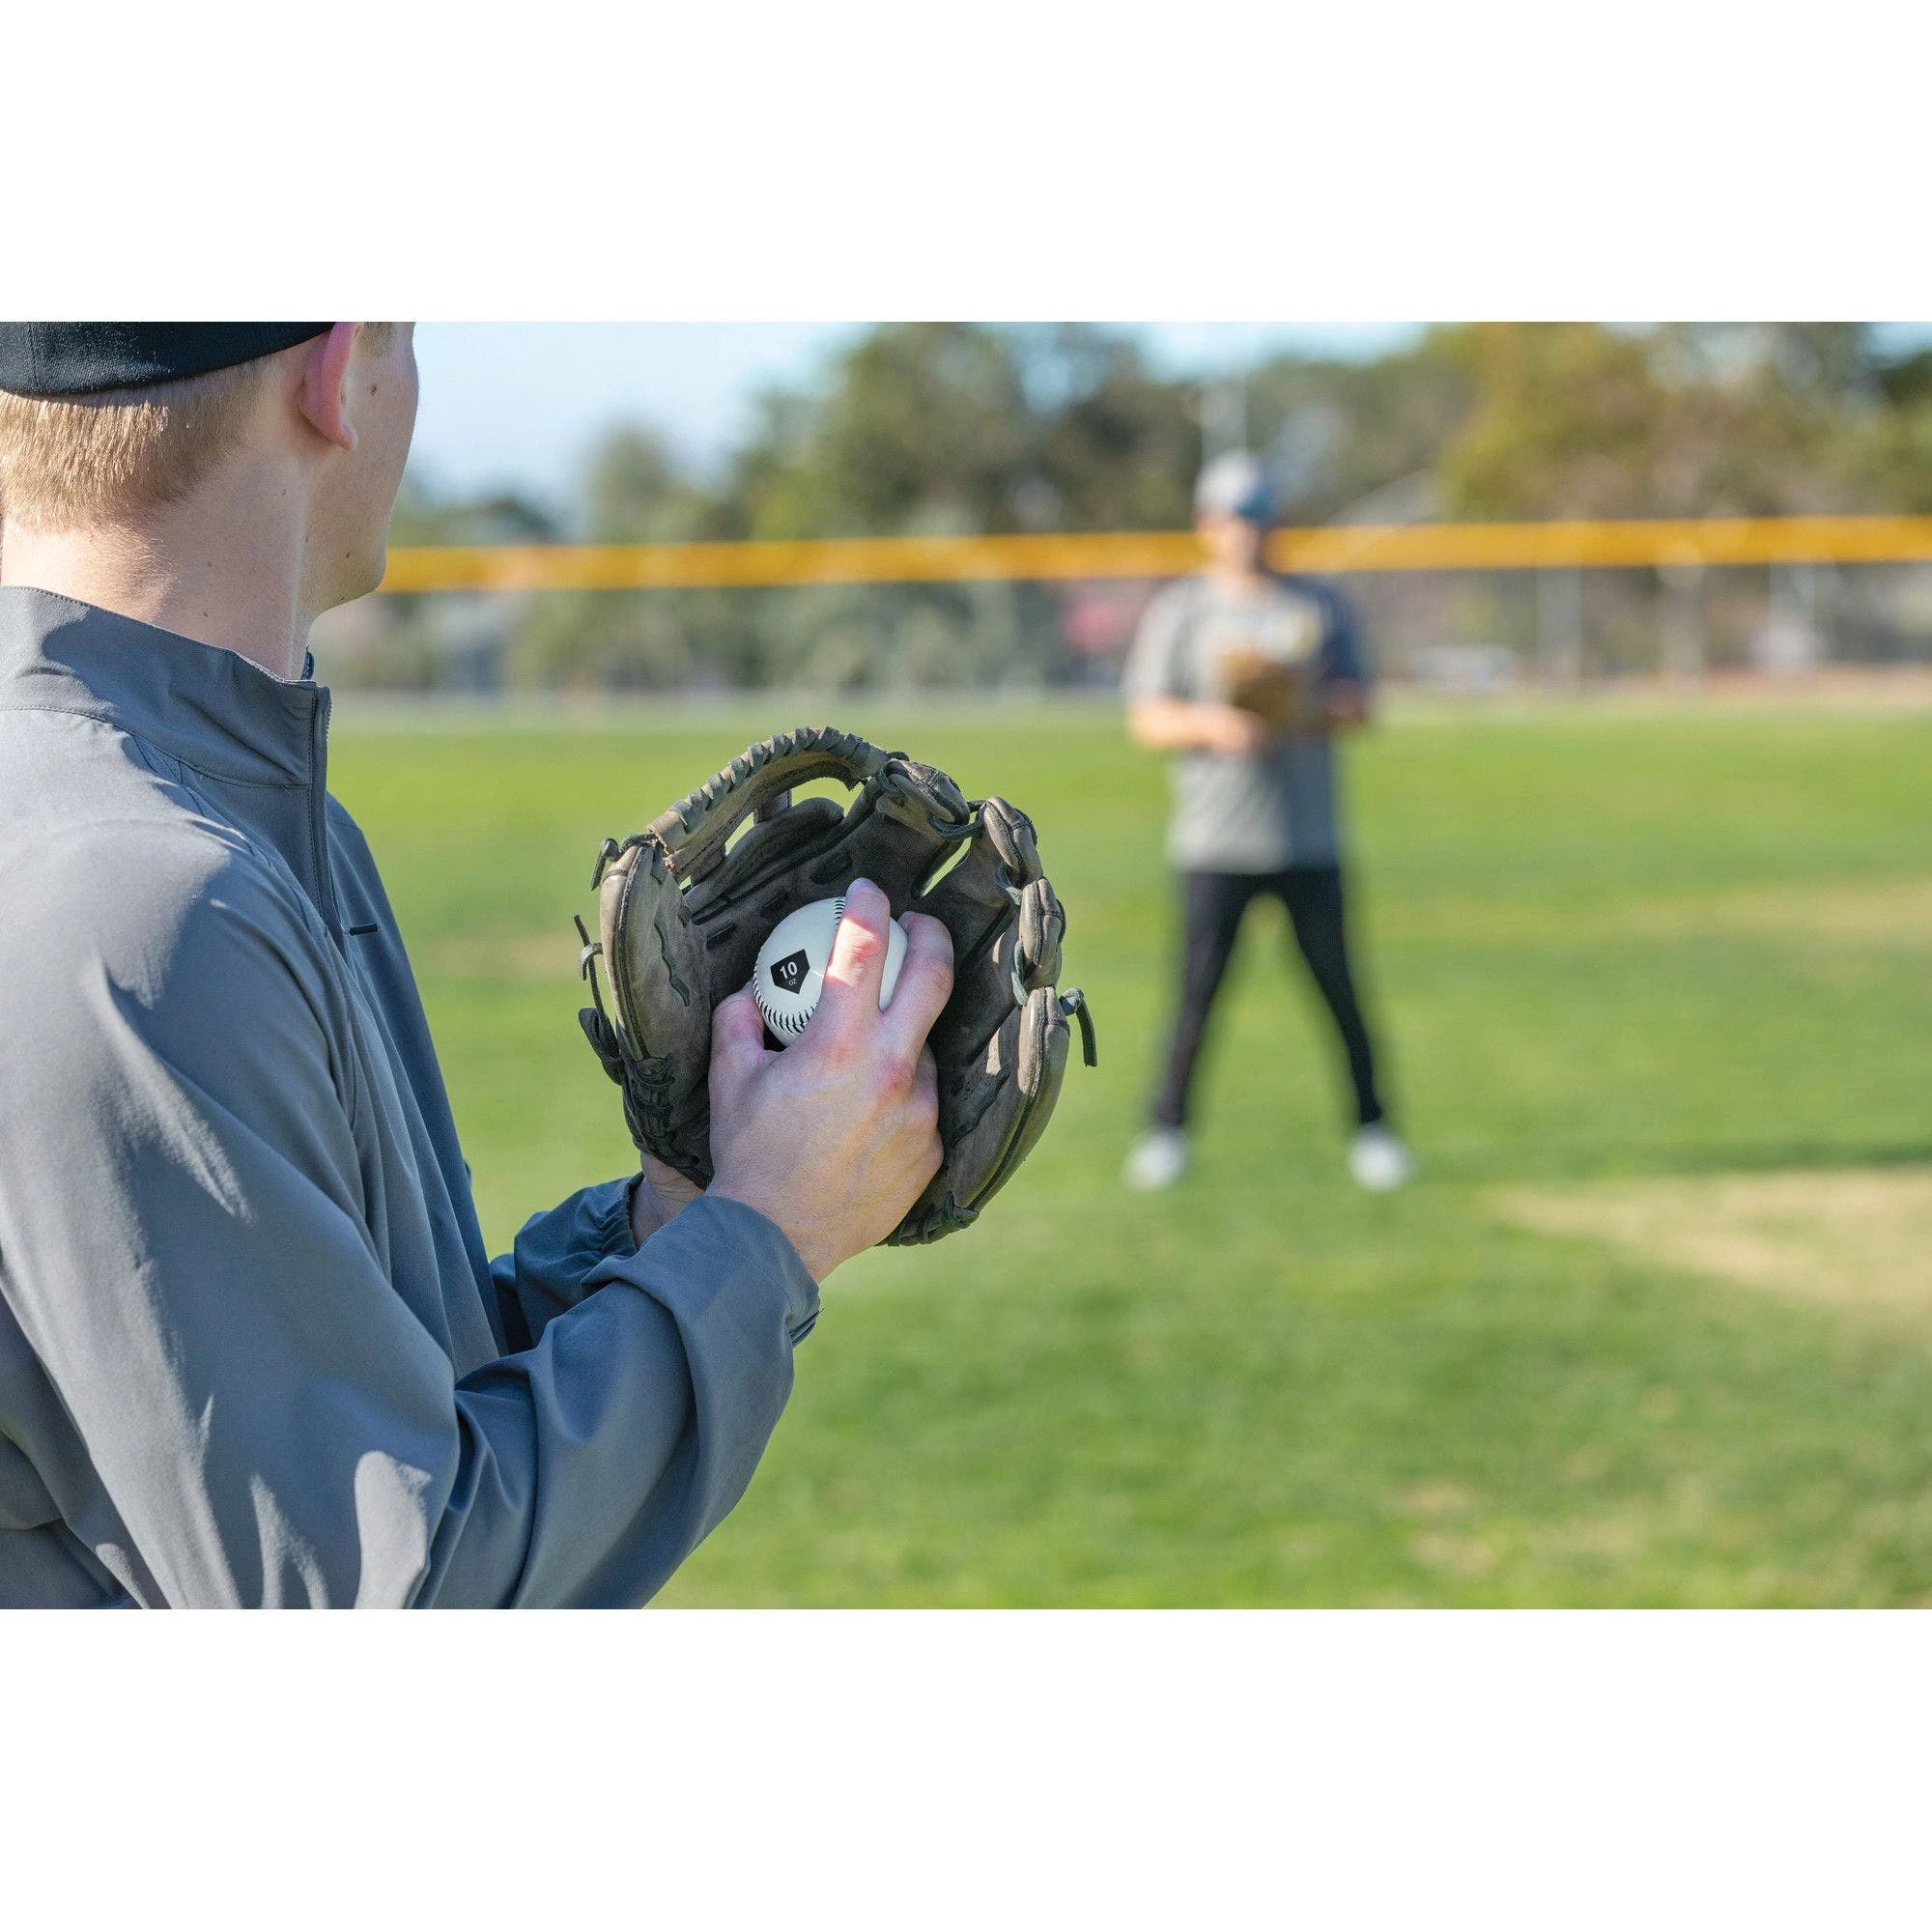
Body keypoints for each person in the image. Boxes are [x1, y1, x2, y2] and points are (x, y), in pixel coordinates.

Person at [0, 323, 952, 1607]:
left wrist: (673, 1219)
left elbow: (391, 1396)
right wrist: (766, 1233)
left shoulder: (223, 825)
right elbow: (386, 1595)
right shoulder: (140, 897)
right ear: (339, 375)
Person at [1120, 449, 1410, 1194]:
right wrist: (1218, 724)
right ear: (1206, 525)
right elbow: (1147, 716)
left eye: (1258, 515)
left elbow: (1360, 705)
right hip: (1214, 841)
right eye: (1232, 517)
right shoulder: (1183, 610)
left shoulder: (1317, 606)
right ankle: (1167, 1132)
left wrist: (1298, 703)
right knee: (1197, 997)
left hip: (1307, 838)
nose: (1246, 531)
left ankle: (1374, 1130)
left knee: (1340, 991)